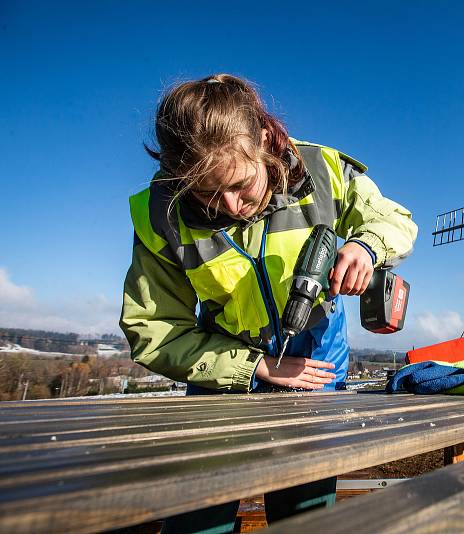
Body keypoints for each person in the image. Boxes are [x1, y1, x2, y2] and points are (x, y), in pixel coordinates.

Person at [120, 74, 417, 532]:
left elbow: (394, 219)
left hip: (314, 369)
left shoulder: (322, 170)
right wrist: (252, 366)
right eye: (207, 193)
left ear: (262, 140)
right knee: (200, 514)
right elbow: (154, 329)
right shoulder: (161, 216)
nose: (232, 205)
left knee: (306, 513)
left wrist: (367, 246)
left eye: (241, 184)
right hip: (220, 375)